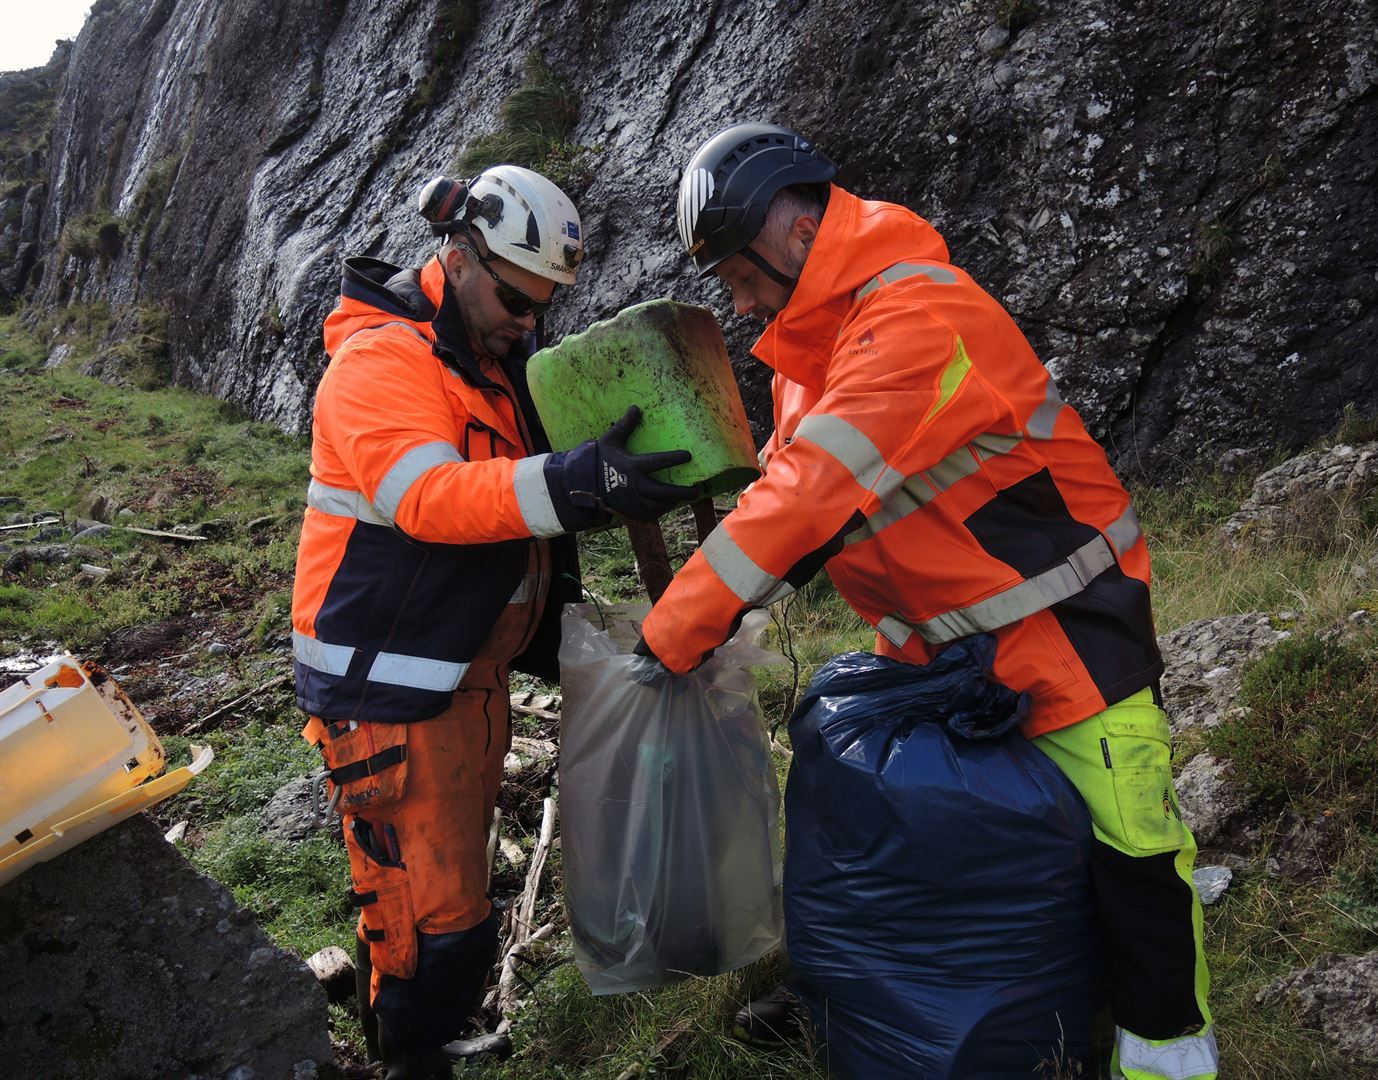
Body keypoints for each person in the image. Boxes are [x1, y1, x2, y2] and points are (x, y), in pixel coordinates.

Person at [640, 124, 1218, 1080]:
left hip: (1066, 634)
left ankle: (1170, 1062)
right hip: (935, 657)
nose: (739, 304)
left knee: (1134, 855)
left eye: (741, 276)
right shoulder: (804, 362)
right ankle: (883, 997)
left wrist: (673, 632)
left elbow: (809, 496)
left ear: (796, 234)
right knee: (930, 840)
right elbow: (786, 493)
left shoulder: (918, 316)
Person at [290, 164, 697, 1079]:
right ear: (461, 256)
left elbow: (521, 495)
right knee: (432, 920)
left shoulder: (494, 362)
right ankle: (411, 1058)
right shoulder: (381, 361)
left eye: (544, 305)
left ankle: (413, 1032)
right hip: (388, 687)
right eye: (517, 298)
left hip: (463, 670)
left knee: (445, 893)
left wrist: (614, 475)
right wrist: (572, 482)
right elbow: (430, 497)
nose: (529, 320)